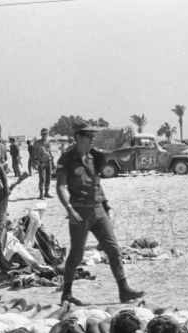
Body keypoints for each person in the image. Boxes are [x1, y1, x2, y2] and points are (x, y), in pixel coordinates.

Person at [56, 121, 143, 305]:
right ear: (78, 137)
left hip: (98, 209)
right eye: (89, 136)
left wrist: (106, 205)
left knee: (113, 249)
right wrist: (69, 209)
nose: (92, 139)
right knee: (77, 254)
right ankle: (67, 293)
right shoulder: (67, 159)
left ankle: (124, 290)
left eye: (93, 136)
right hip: (79, 211)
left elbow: (100, 177)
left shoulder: (94, 156)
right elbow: (61, 186)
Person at [32, 128, 54, 199]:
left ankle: (46, 193)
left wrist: (52, 162)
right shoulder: (37, 143)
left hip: (48, 161)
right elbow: (34, 153)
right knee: (42, 178)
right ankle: (41, 194)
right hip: (41, 162)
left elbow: (50, 152)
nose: (45, 135)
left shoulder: (48, 142)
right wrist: (36, 162)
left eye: (46, 134)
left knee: (48, 178)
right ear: (41, 134)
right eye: (43, 134)